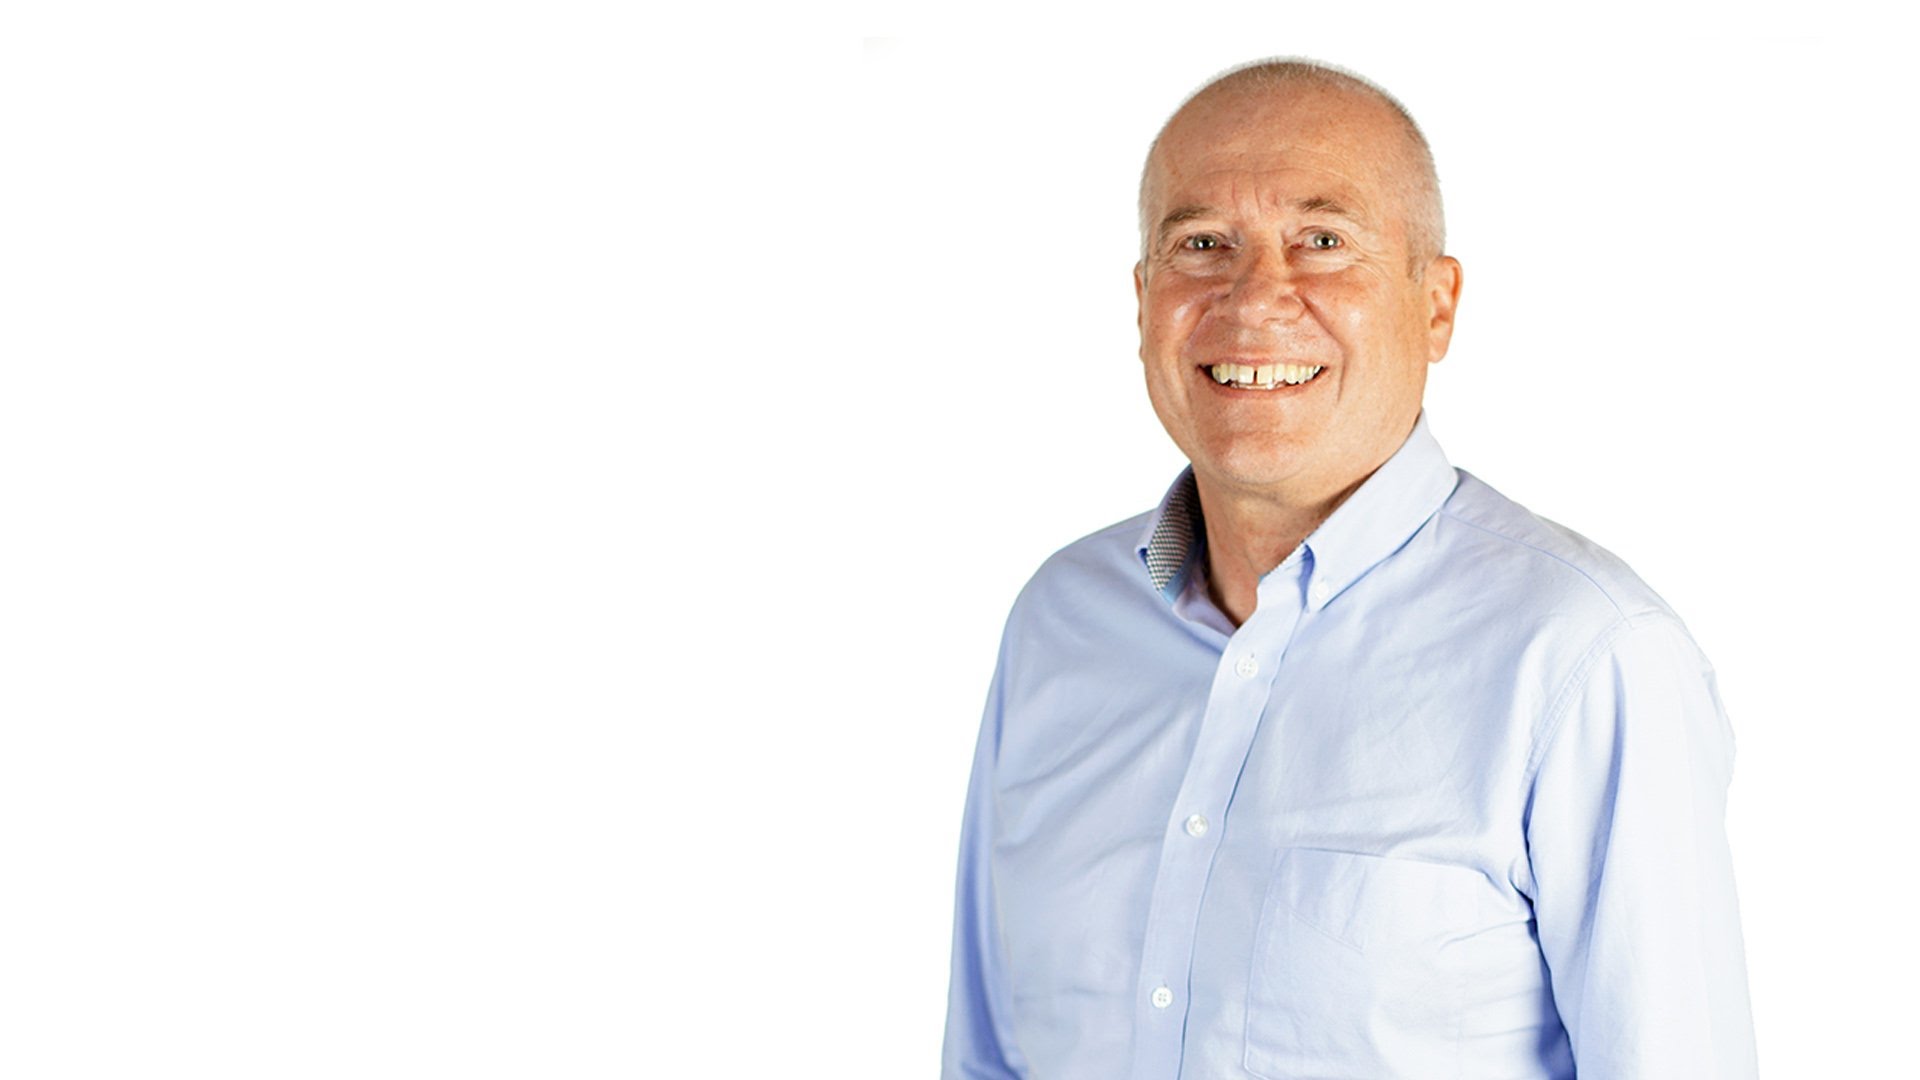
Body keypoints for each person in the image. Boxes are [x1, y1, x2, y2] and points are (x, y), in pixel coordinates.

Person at [941, 59, 1758, 1080]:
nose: (1255, 298)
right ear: (1144, 300)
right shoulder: (1060, 624)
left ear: (1436, 305)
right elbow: (985, 1056)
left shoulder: (1585, 657)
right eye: (1203, 244)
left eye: (1322, 242)